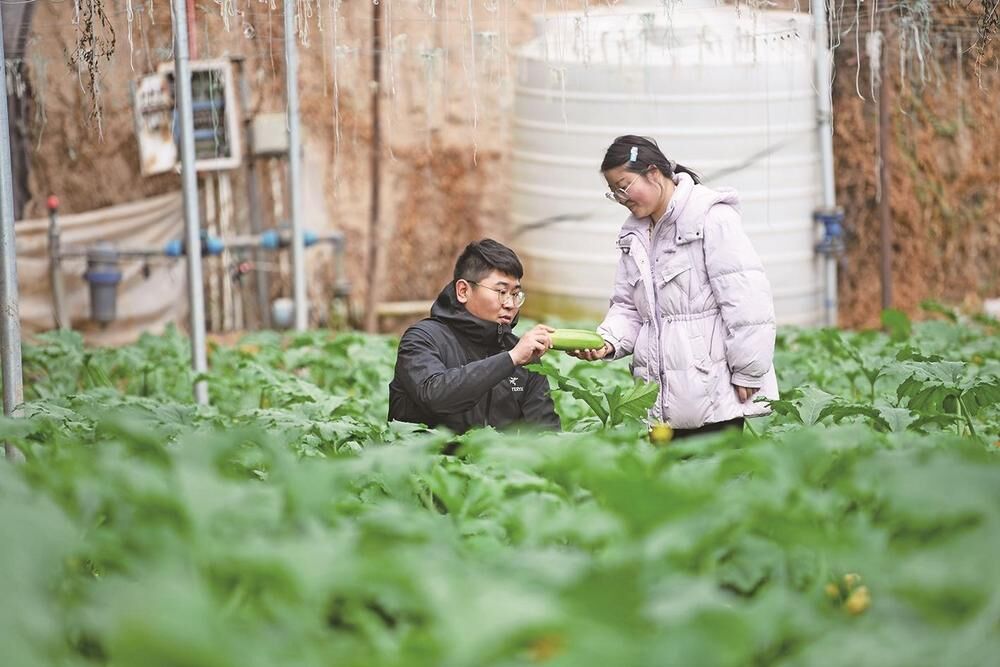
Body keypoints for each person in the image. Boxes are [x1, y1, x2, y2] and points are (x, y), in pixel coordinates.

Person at [572, 135, 779, 438]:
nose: (621, 198)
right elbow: (628, 307)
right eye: (613, 192)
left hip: (714, 395)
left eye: (624, 186)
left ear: (653, 173)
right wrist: (608, 341)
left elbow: (748, 301)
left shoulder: (711, 218)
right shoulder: (634, 236)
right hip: (659, 403)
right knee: (665, 470)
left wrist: (749, 370)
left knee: (713, 469)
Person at [388, 239, 561, 434]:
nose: (510, 304)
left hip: (497, 456)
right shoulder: (422, 338)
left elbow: (546, 433)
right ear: (463, 291)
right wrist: (510, 359)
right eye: (502, 291)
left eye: (515, 294)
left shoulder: (525, 357)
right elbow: (433, 395)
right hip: (428, 455)